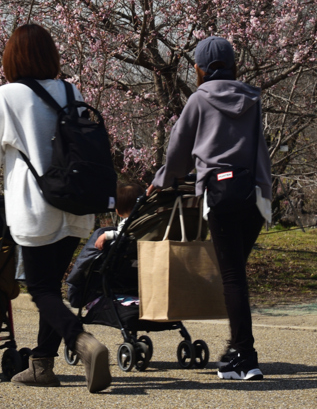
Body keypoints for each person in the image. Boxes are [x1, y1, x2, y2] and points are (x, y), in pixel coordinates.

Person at [0, 23, 111, 393]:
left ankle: (83, 342)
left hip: (35, 206)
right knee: (52, 287)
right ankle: (41, 367)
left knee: (40, 288)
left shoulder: (7, 95)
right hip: (77, 205)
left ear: (11, 57)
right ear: (51, 56)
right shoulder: (70, 89)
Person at [147, 36, 273, 381]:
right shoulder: (252, 98)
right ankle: (236, 352)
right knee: (235, 275)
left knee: (232, 277)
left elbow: (179, 150)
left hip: (220, 193)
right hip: (253, 194)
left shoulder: (199, 100)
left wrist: (163, 180)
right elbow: (258, 146)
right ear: (234, 64)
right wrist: (267, 190)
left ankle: (246, 357)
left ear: (200, 69)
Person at [94, 182, 145, 250]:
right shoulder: (146, 217)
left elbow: (121, 234)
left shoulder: (127, 222)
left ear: (119, 212)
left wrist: (106, 235)